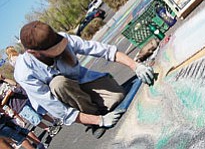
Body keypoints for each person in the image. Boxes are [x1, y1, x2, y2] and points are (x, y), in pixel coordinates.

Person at [14, 21, 155, 137]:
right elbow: (57, 108)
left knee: (118, 97)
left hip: (83, 81)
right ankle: (92, 117)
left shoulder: (63, 38)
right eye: (52, 50)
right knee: (58, 83)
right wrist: (99, 120)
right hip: (65, 95)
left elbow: (104, 50)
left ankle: (96, 103)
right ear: (32, 52)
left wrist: (135, 66)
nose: (58, 50)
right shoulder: (24, 72)